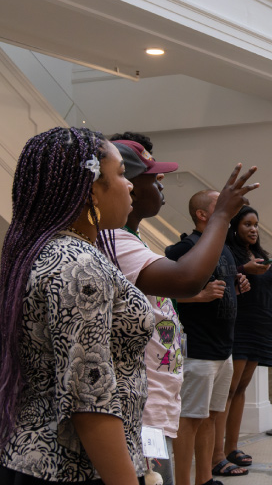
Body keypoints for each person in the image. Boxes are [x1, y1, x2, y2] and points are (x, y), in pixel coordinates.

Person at [0, 127, 151, 484]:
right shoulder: (79, 267)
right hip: (75, 467)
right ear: (92, 191)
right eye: (120, 175)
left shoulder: (39, 250)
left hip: (30, 456)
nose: (130, 185)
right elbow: (90, 401)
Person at [109, 139, 259, 485]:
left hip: (162, 390)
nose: (160, 185)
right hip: (145, 398)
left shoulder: (132, 237)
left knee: (204, 418)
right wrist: (223, 215)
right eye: (152, 178)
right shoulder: (117, 240)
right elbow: (186, 280)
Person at [164, 191, 251, 484]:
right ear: (202, 215)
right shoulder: (182, 249)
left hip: (223, 349)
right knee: (189, 420)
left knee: (211, 417)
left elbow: (219, 288)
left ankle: (204, 479)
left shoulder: (223, 248)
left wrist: (236, 286)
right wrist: (198, 296)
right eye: (218, 205)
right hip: (197, 350)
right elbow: (163, 294)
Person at [211, 206, 272, 471]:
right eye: (247, 224)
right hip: (239, 326)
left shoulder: (259, 254)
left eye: (256, 225)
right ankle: (217, 454)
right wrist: (243, 268)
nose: (253, 229)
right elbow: (221, 276)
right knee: (228, 390)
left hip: (261, 324)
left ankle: (231, 447)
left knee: (241, 390)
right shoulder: (229, 254)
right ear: (235, 227)